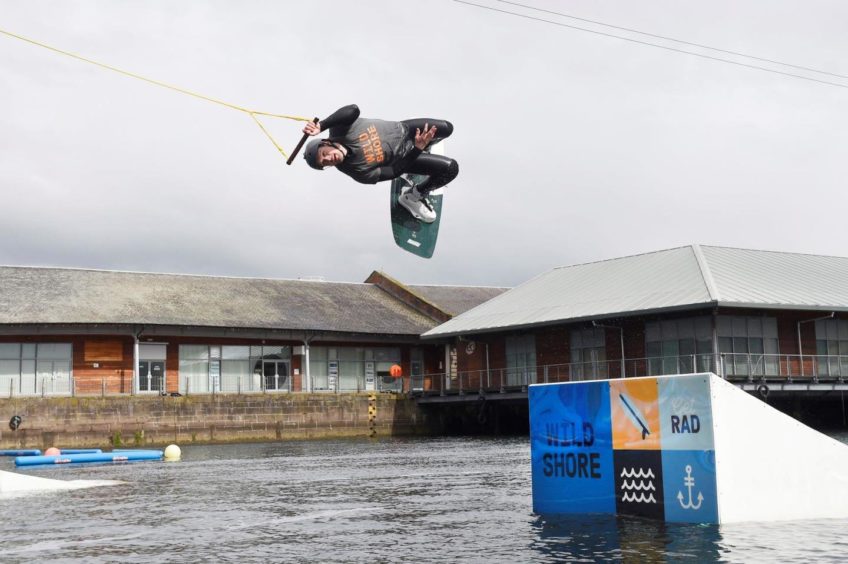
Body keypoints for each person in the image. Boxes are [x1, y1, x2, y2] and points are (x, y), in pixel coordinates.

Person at [302, 104, 458, 223]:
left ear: (326, 142)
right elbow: (393, 172)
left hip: (405, 130)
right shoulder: (356, 171)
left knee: (448, 128)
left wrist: (321, 125)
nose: (328, 159)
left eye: (324, 154)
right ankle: (412, 196)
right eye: (324, 163)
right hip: (406, 156)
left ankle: (426, 144)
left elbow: (353, 110)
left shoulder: (339, 131)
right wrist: (417, 149)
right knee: (451, 169)